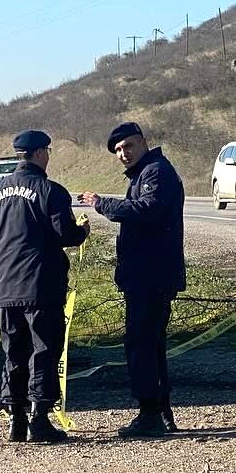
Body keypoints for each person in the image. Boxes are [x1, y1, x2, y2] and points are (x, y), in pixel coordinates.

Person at [0, 130, 89, 444]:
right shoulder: (51, 191)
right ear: (39, 153)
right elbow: (64, 233)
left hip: (6, 288)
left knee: (13, 351)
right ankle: (39, 418)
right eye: (48, 151)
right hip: (42, 285)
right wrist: (82, 233)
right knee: (43, 350)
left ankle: (15, 419)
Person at [81, 123, 186, 438]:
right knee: (151, 346)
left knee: (140, 344)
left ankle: (150, 414)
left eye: (128, 146)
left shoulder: (156, 172)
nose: (123, 154)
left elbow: (146, 209)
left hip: (151, 276)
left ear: (143, 143)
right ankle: (161, 412)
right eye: (118, 151)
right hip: (146, 275)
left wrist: (102, 203)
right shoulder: (146, 174)